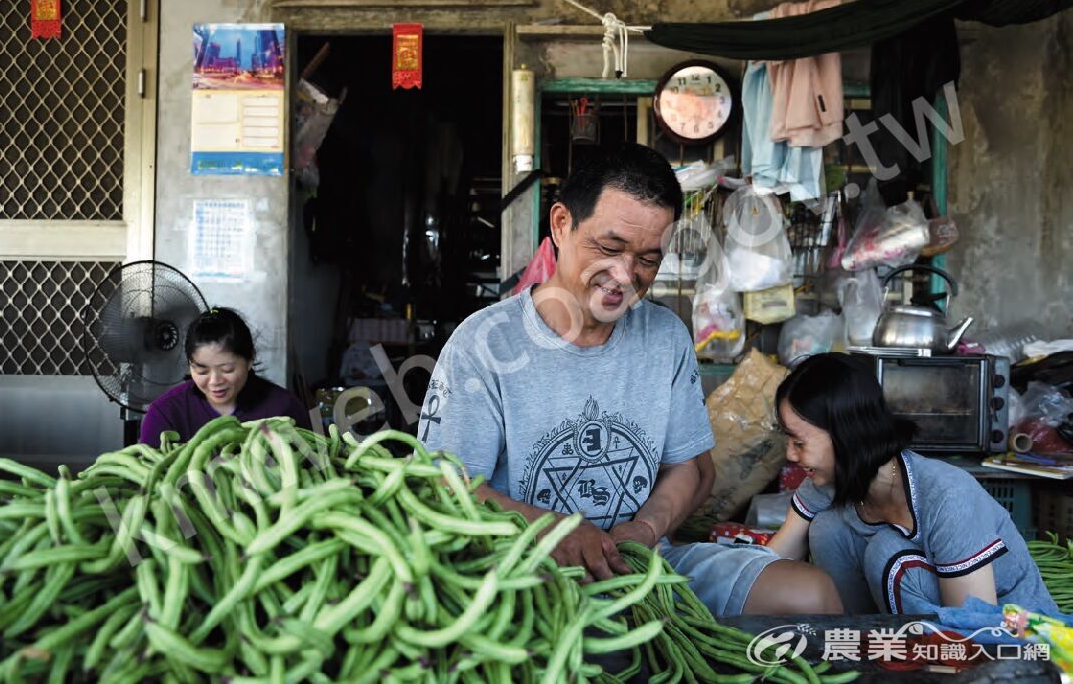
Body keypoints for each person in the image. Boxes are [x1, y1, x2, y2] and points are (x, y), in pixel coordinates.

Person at [418, 143, 841, 617]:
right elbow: (443, 489)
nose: (624, 275)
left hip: (642, 569)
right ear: (561, 225)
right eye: (609, 247)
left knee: (813, 596)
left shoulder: (664, 337)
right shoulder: (483, 344)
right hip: (523, 576)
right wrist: (553, 530)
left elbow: (693, 469)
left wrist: (642, 532)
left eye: (647, 258)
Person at [768, 352, 1057, 615]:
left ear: (847, 435)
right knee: (828, 528)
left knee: (889, 553)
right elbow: (779, 555)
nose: (790, 454)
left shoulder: (948, 496)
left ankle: (904, 664)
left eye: (799, 442)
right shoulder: (830, 477)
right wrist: (729, 575)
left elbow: (976, 623)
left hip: (1014, 637)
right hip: (928, 627)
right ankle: (855, 638)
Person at [140, 307, 312, 446]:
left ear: (250, 359)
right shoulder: (165, 413)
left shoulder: (284, 409)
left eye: (227, 369)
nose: (215, 381)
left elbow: (314, 468)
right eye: (201, 370)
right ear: (190, 365)